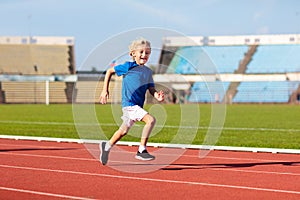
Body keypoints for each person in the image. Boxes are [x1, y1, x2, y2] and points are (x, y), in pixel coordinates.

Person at [99, 38, 164, 165]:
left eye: (147, 53)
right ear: (133, 53)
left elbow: (151, 88)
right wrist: (104, 90)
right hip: (129, 105)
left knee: (123, 131)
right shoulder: (128, 67)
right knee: (151, 120)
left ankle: (106, 147)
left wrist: (157, 95)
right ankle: (141, 150)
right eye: (141, 52)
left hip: (137, 106)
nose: (144, 55)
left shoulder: (148, 72)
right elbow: (109, 71)